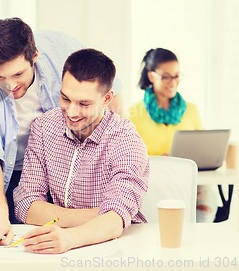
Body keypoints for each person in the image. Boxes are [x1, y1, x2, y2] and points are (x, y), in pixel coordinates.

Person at [0, 17, 124, 249]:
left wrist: (118, 142)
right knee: (22, 237)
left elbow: (110, 88)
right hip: (10, 173)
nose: (10, 85)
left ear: (34, 57)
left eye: (18, 75)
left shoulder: (62, 50)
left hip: (68, 165)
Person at [13, 49, 149, 254]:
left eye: (84, 104)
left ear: (107, 98)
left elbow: (116, 217)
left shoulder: (126, 140)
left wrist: (69, 236)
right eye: (66, 99)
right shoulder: (44, 127)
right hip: (62, 248)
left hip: (117, 249)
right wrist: (99, 217)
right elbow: (26, 205)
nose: (72, 112)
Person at [128, 48, 217, 223]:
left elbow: (202, 150)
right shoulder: (133, 113)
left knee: (207, 200)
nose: (173, 82)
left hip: (188, 182)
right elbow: (129, 157)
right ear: (152, 76)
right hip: (152, 184)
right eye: (166, 76)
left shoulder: (191, 110)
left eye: (176, 76)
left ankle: (196, 245)